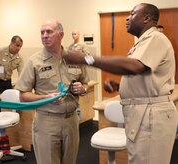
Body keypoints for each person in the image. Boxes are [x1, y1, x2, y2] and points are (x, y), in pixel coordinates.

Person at [63, 3, 178, 164]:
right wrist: (120, 85)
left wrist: (86, 59)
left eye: (132, 14)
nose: (127, 17)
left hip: (151, 116)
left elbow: (135, 66)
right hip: (142, 114)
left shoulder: (156, 38)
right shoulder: (143, 42)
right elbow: (144, 74)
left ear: (146, 18)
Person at [14, 19, 90, 164]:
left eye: (49, 32)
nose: (44, 35)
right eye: (42, 32)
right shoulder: (34, 61)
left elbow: (86, 83)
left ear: (61, 35)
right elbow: (23, 95)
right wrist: (46, 97)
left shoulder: (74, 57)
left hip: (71, 121)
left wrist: (83, 89)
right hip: (46, 122)